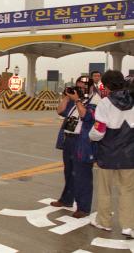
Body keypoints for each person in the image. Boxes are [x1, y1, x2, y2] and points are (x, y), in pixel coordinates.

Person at [89, 70, 134, 238]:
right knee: (128, 191)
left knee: (105, 190)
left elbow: (99, 131)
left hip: (107, 153)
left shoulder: (105, 103)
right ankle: (128, 226)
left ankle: (104, 222)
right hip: (130, 155)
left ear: (106, 85)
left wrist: (90, 136)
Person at [51, 76, 100, 218]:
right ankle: (66, 199)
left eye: (83, 87)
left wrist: (78, 100)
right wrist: (67, 97)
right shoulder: (75, 100)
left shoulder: (96, 100)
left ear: (90, 87)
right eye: (78, 86)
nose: (80, 89)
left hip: (83, 142)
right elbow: (60, 111)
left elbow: (87, 116)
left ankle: (83, 208)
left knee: (83, 174)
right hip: (69, 140)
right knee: (69, 172)